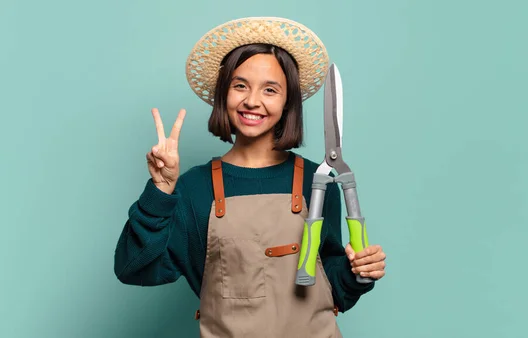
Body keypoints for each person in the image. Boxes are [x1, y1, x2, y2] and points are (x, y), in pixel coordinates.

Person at [113, 16, 386, 337]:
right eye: (240, 85)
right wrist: (160, 190)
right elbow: (133, 267)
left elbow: (334, 289)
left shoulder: (317, 179)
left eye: (270, 89)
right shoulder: (193, 189)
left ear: (288, 102)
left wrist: (359, 271)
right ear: (223, 93)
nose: (252, 100)